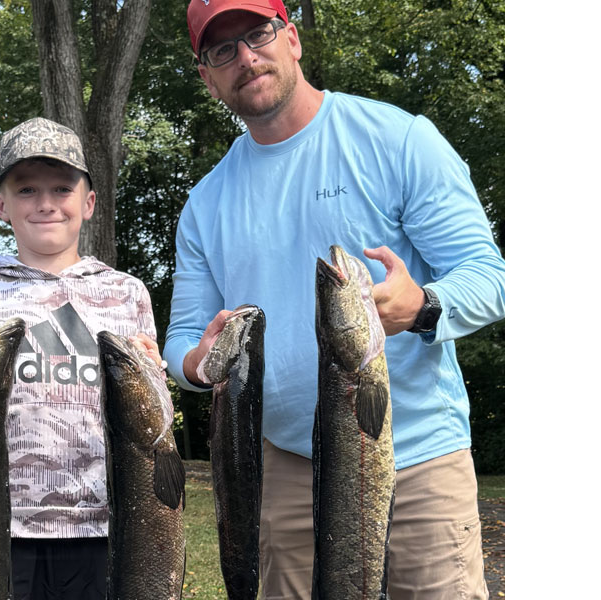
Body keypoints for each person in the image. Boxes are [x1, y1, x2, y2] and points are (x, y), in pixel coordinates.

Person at [164, 1, 505, 599]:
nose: (246, 56)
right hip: (283, 470)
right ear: (207, 76)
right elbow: (182, 341)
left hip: (417, 458)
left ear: (290, 38)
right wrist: (196, 364)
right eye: (223, 49)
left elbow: (491, 278)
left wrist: (424, 306)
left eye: (258, 34)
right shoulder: (205, 205)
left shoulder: (398, 139)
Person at [0, 117, 164, 600]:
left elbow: (154, 428)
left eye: (62, 187)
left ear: (89, 202)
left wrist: (153, 374)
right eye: (27, 189)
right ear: (1, 205)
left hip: (107, 525)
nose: (46, 203)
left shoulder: (126, 293)